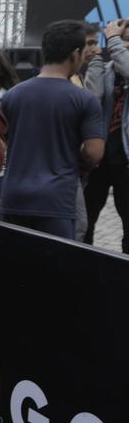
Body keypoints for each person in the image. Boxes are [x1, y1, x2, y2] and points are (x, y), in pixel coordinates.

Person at [0, 20, 104, 239]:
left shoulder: (12, 96)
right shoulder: (84, 100)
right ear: (76, 54)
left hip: (13, 197)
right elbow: (95, 153)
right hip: (56, 201)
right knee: (56, 269)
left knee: (14, 268)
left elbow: (4, 140)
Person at [82, 18, 129, 252]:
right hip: (100, 160)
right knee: (85, 223)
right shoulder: (106, 68)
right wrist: (98, 58)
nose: (125, 45)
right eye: (124, 40)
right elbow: (93, 95)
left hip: (126, 163)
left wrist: (113, 39)